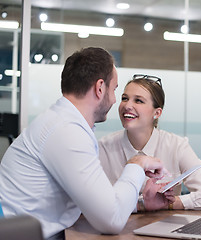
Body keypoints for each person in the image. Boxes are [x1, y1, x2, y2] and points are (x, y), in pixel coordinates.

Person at [0, 48, 172, 240]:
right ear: (100, 88)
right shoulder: (66, 131)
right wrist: (137, 164)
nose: (116, 100)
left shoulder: (63, 123)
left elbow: (97, 203)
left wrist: (142, 204)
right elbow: (111, 220)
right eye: (115, 90)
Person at [99, 74, 201, 211]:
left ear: (157, 113)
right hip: (117, 230)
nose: (127, 105)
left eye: (138, 101)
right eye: (124, 98)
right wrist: (144, 204)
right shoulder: (103, 147)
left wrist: (171, 202)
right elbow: (93, 203)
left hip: (166, 226)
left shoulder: (176, 145)